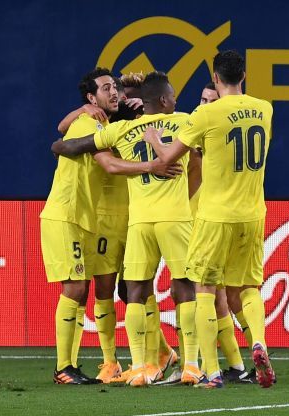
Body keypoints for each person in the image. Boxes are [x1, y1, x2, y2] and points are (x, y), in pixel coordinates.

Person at [52, 71, 202, 387]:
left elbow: (63, 142)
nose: (119, 94)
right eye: (112, 89)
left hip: (133, 218)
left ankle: (150, 361)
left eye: (120, 90)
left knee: (135, 288)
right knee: (135, 289)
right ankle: (175, 363)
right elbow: (63, 135)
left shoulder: (121, 127)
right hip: (112, 217)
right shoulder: (173, 121)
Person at [143, 50, 276, 388]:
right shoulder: (265, 109)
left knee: (205, 288)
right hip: (252, 214)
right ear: (243, 76)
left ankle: (213, 373)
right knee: (248, 288)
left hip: (215, 215)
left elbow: (168, 160)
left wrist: (154, 139)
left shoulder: (205, 115)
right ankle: (257, 342)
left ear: (216, 78)